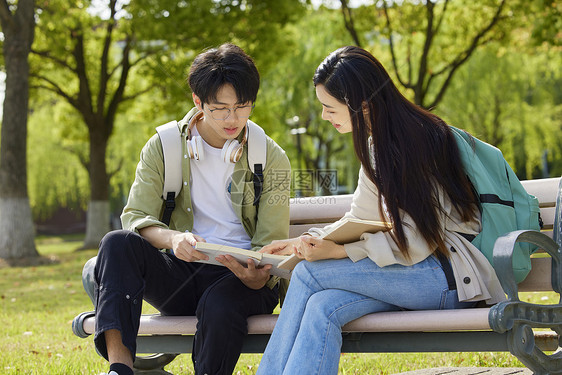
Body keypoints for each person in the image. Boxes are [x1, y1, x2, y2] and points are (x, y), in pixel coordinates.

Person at [256, 46, 505, 375]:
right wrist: (305, 242)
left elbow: (415, 241)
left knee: (308, 273)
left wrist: (339, 252)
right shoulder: (378, 145)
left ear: (361, 105)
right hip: (411, 276)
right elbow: (359, 217)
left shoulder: (415, 142)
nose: (324, 116)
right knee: (321, 306)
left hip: (449, 278)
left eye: (330, 108)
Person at [91, 43, 291, 375]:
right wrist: (173, 240)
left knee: (220, 302)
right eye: (220, 108)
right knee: (117, 242)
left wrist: (256, 276)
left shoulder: (271, 157)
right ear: (197, 102)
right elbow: (136, 217)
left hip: (244, 282)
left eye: (243, 107)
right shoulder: (164, 146)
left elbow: (270, 243)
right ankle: (120, 370)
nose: (233, 118)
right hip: (182, 273)